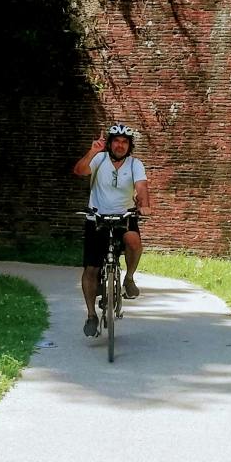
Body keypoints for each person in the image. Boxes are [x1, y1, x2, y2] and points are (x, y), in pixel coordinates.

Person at [73, 122, 148, 338]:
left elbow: (142, 188)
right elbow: (79, 171)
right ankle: (90, 315)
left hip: (124, 217)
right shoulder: (99, 158)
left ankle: (129, 278)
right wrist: (92, 151)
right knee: (91, 269)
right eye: (116, 141)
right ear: (110, 143)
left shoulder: (135, 164)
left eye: (125, 142)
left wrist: (143, 205)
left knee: (134, 241)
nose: (120, 145)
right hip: (97, 217)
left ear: (129, 146)